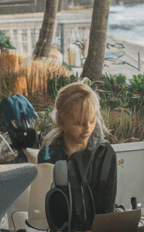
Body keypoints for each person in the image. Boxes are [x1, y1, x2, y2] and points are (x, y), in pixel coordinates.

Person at [37, 81, 117, 215]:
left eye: (92, 121)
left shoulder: (104, 153)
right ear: (61, 120)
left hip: (99, 231)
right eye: (79, 124)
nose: (87, 129)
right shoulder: (48, 154)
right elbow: (45, 207)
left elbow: (108, 207)